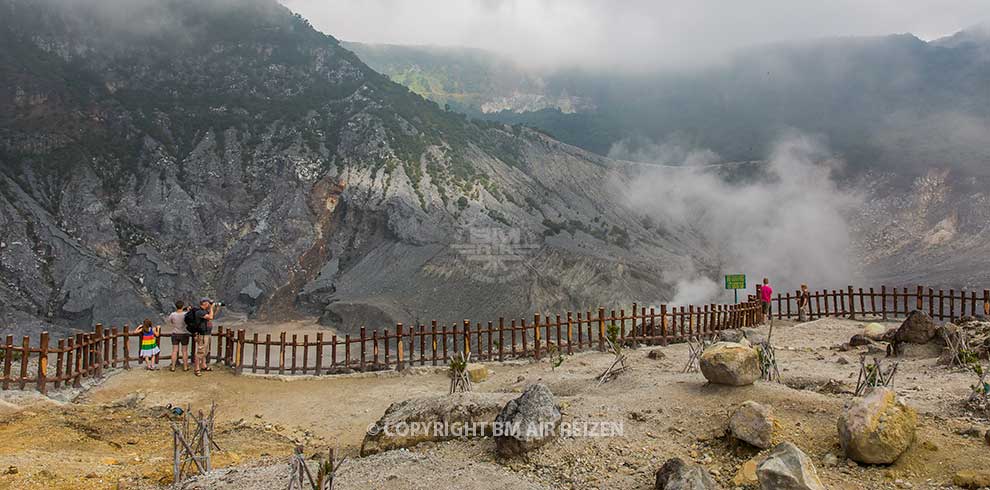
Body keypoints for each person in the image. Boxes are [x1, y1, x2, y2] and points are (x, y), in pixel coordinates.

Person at [192, 298, 218, 377]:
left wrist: (215, 308)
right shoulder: (199, 312)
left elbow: (212, 315)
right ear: (204, 303)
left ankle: (203, 366)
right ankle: (196, 369)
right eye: (208, 302)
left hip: (207, 333)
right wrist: (211, 308)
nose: (209, 304)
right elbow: (210, 317)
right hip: (202, 334)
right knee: (200, 352)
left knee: (205, 351)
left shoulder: (204, 311)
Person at [166, 301, 190, 372]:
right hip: (184, 333)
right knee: (184, 351)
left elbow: (169, 321)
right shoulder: (186, 314)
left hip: (175, 333)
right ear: (183, 306)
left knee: (174, 351)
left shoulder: (173, 314)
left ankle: (173, 367)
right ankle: (185, 366)